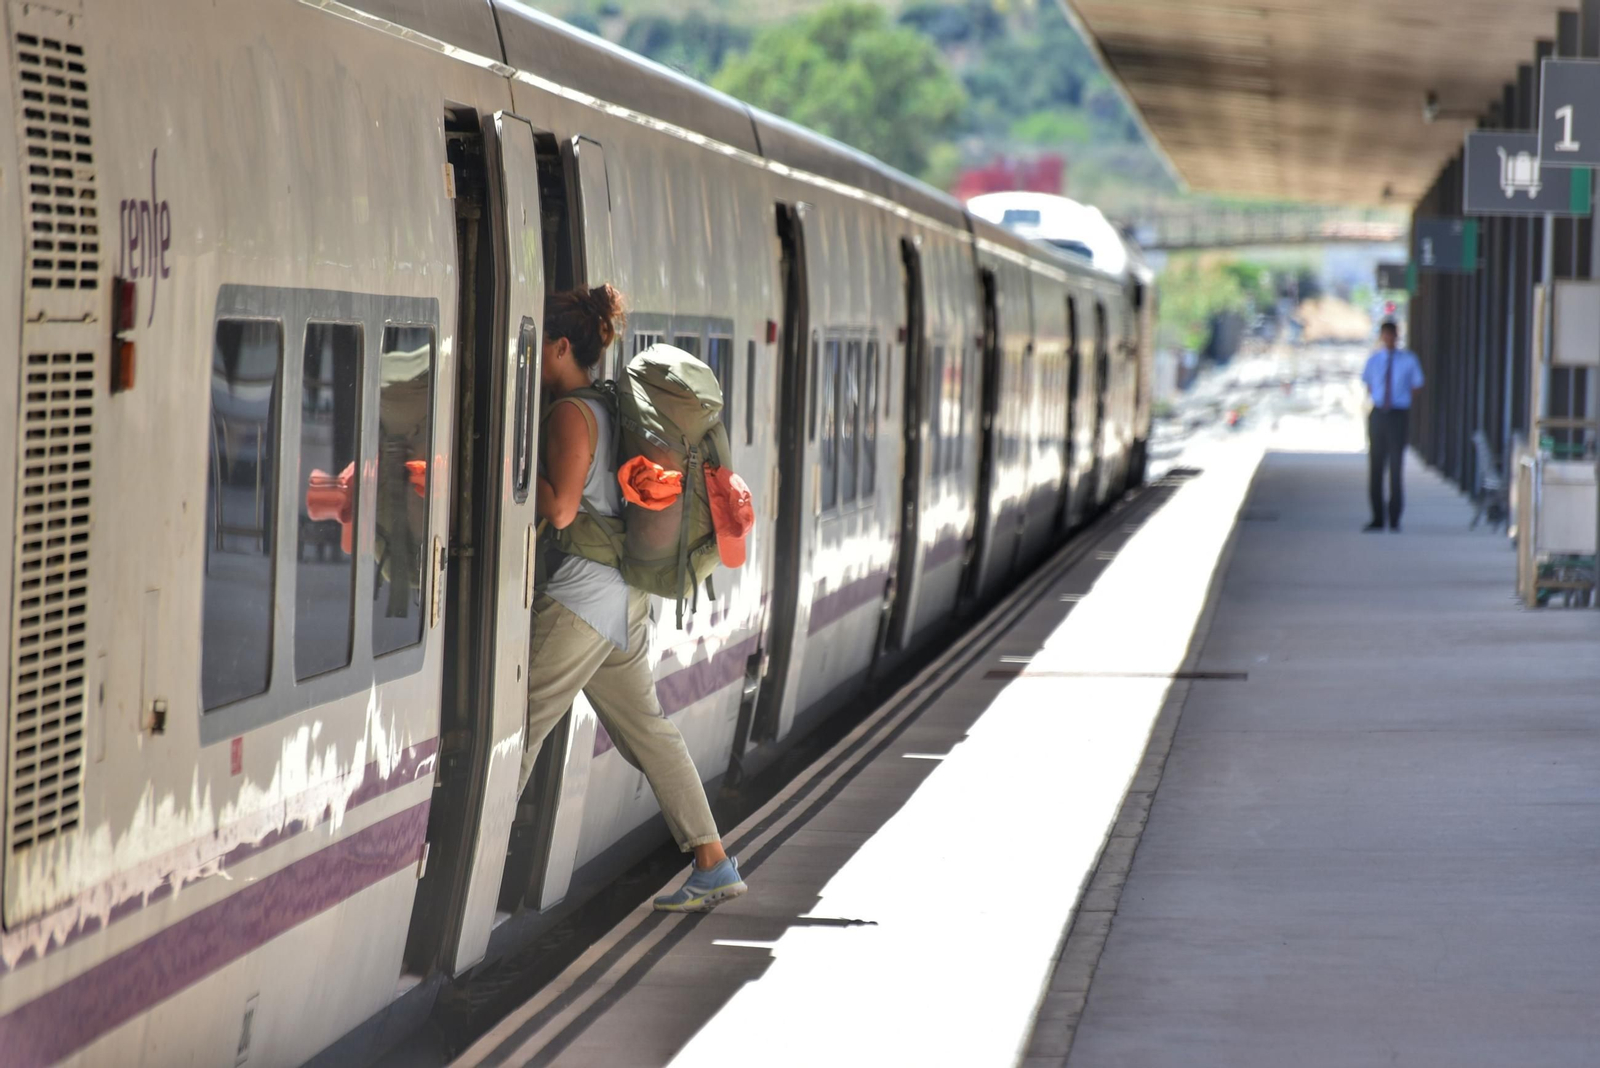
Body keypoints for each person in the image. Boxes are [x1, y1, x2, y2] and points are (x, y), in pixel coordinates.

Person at [524, 284, 746, 912]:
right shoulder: (606, 405)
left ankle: (472, 869)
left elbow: (563, 508)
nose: (530, 359)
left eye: (536, 347)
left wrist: (512, 479)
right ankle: (712, 860)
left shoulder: (570, 413)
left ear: (563, 346)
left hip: (582, 599)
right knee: (646, 729)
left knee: (514, 727)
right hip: (623, 596)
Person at [1361, 320, 1424, 532]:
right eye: (1385, 335)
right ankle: (1377, 517)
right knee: (1376, 468)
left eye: (1392, 335)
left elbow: (1417, 386)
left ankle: (1395, 516)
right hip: (1378, 413)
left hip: (1398, 415)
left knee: (1396, 468)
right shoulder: (1374, 360)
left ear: (1397, 336)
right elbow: (1368, 385)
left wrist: (1400, 398)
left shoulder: (1409, 360)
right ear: (1381, 336)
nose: (1389, 339)